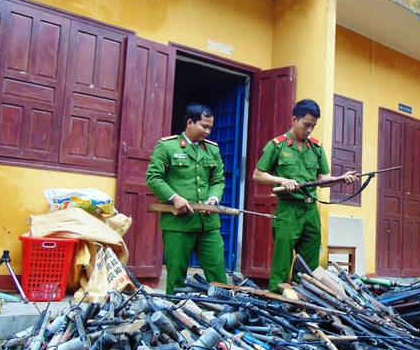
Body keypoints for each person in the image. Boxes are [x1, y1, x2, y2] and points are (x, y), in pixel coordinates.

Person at [253, 98, 359, 293]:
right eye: (306, 124)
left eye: (313, 126)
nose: (309, 130)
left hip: (311, 210)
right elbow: (257, 175)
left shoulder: (316, 148)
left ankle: (306, 299)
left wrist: (341, 179)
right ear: (295, 119)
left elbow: (323, 178)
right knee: (283, 259)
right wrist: (281, 180)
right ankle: (278, 299)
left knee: (310, 261)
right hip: (288, 209)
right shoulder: (277, 146)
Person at [146, 103, 228, 294]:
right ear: (190, 122)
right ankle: (174, 317)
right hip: (178, 224)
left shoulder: (212, 150)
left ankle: (225, 313)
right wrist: (174, 198)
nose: (207, 132)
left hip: (208, 224)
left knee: (218, 274)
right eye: (204, 126)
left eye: (210, 128)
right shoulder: (167, 146)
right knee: (176, 277)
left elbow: (218, 180)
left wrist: (213, 199)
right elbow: (153, 177)